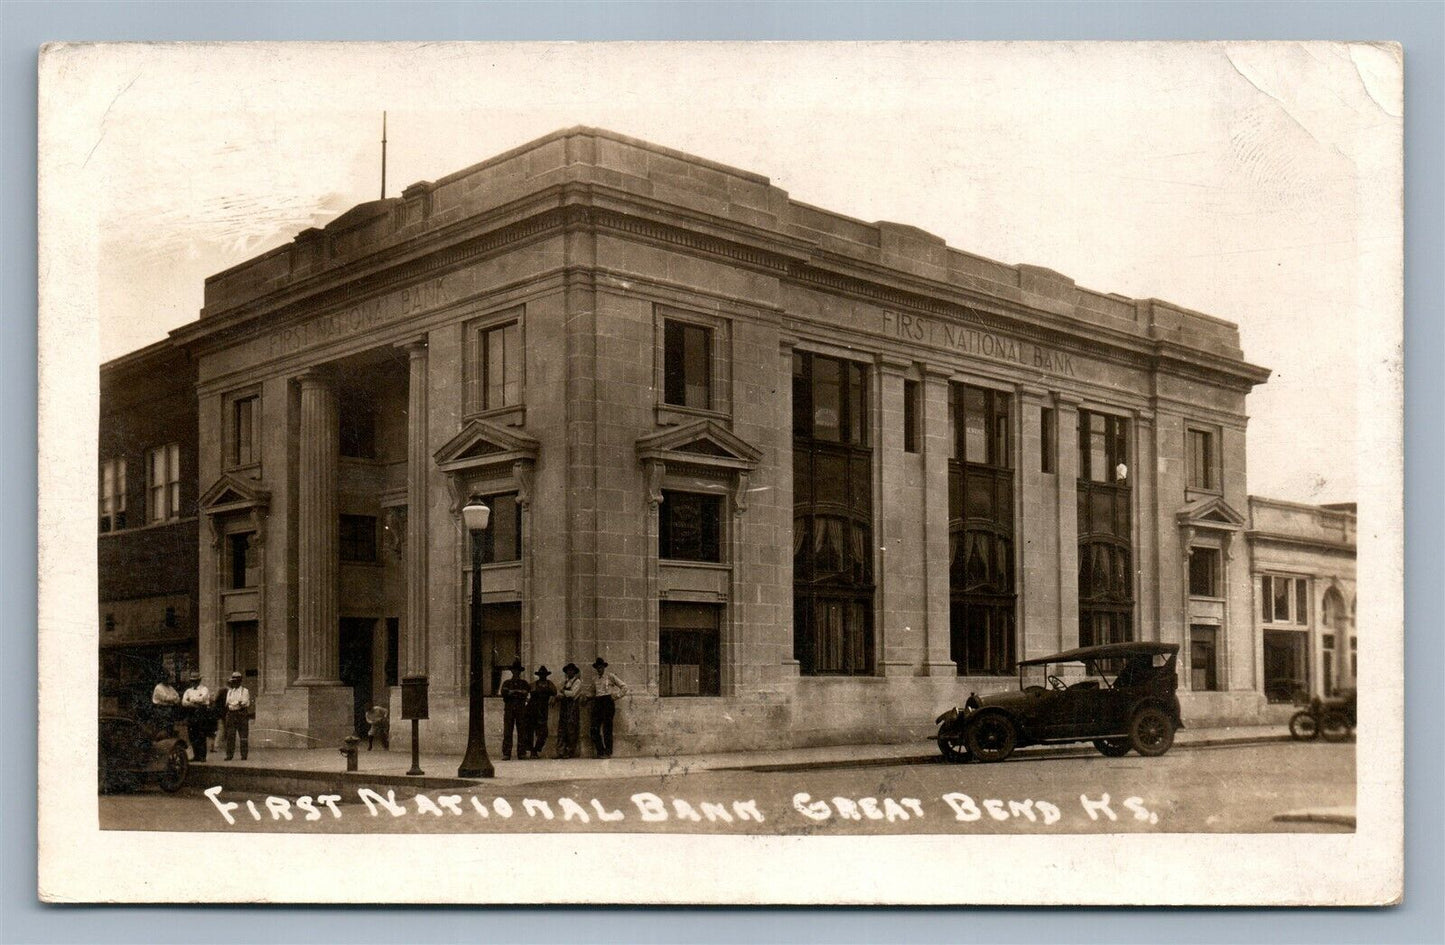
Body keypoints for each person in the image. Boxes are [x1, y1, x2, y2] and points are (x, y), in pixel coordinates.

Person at [587, 657, 629, 758]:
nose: (599, 669)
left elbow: (624, 687)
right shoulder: (595, 679)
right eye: (597, 667)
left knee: (607, 728)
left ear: (604, 667)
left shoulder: (610, 676)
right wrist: (586, 697)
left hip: (607, 702)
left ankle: (608, 752)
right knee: (594, 728)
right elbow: (591, 692)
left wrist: (616, 696)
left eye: (601, 667)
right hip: (598, 702)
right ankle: (600, 751)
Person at [498, 659, 531, 760]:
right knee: (508, 731)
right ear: (512, 671)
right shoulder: (507, 683)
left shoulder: (524, 683)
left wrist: (514, 692)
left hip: (521, 709)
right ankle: (506, 753)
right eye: (514, 670)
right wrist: (514, 693)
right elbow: (503, 692)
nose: (516, 672)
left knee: (522, 731)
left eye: (518, 671)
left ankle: (521, 753)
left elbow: (527, 693)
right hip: (509, 709)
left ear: (520, 672)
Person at [524, 666, 557, 759]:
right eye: (541, 675)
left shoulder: (549, 684)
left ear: (546, 676)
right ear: (539, 676)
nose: (543, 676)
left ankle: (536, 749)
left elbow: (555, 692)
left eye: (544, 675)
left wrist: (553, 698)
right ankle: (531, 751)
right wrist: (526, 701)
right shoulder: (533, 684)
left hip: (543, 710)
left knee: (543, 732)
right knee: (530, 730)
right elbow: (526, 692)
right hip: (532, 709)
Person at [180, 673, 214, 761]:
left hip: (201, 713)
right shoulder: (188, 691)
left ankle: (202, 756)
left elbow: (203, 699)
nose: (194, 683)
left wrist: (191, 700)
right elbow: (184, 702)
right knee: (192, 734)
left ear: (199, 681)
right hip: (191, 713)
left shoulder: (204, 689)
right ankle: (196, 755)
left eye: (195, 681)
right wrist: (194, 702)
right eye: (192, 681)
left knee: (201, 734)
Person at [222, 671, 252, 761]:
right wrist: (236, 703)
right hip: (231, 714)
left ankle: (244, 755)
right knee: (230, 735)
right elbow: (227, 703)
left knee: (243, 736)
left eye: (237, 681)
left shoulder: (244, 691)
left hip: (241, 714)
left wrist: (235, 704)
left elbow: (244, 702)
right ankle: (229, 755)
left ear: (240, 681)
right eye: (233, 681)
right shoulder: (230, 692)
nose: (235, 683)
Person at [557, 663, 583, 759]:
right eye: (568, 670)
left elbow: (572, 694)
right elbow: (560, 693)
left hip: (572, 708)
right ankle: (561, 752)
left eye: (571, 670)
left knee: (571, 729)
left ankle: (570, 751)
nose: (569, 672)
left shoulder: (577, 682)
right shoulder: (565, 682)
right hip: (564, 708)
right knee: (562, 728)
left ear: (574, 672)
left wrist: (563, 692)